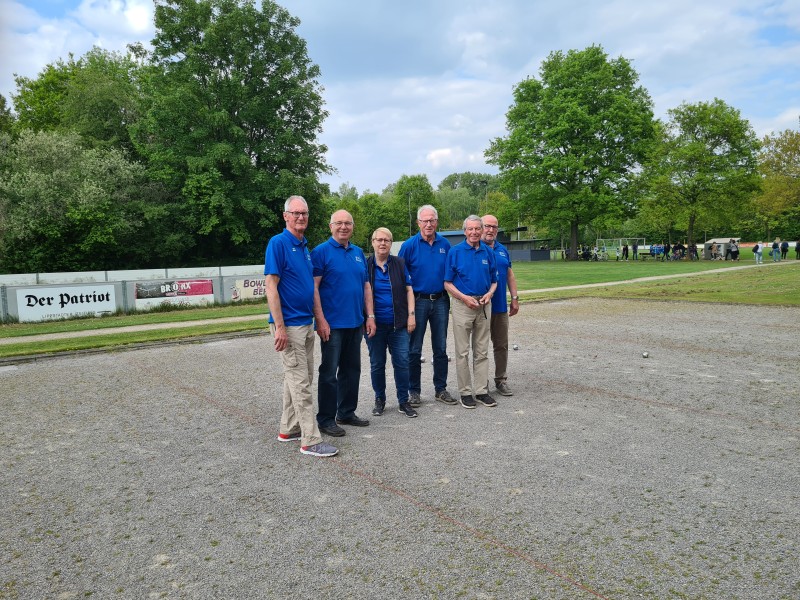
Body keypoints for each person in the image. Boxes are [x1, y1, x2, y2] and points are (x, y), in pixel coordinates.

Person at [264, 196, 338, 458]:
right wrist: (280, 327)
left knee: (297, 379)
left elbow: (310, 288)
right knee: (301, 383)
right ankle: (310, 440)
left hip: (305, 323)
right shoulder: (278, 243)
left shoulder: (304, 246)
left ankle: (289, 428)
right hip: (290, 325)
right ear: (285, 216)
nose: (300, 217)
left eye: (304, 213)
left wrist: (319, 318)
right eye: (295, 213)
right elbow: (271, 286)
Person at [312, 209, 376, 437]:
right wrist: (320, 319)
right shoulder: (320, 252)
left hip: (355, 322)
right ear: (331, 226)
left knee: (351, 371)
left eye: (347, 223)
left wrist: (370, 316)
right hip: (332, 325)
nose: (343, 227)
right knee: (329, 373)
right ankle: (326, 419)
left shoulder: (358, 252)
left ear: (353, 226)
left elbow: (366, 287)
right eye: (339, 223)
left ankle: (346, 412)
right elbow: (314, 288)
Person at [398, 205, 456, 407]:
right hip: (418, 301)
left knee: (440, 347)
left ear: (437, 222)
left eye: (432, 220)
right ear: (418, 223)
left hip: (441, 300)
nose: (428, 224)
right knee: (414, 349)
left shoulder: (445, 244)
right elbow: (401, 276)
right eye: (425, 221)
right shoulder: (409, 246)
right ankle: (414, 391)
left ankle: (441, 389)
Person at [444, 215, 497, 409]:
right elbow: (447, 283)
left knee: (482, 351)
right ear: (465, 231)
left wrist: (490, 294)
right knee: (462, 351)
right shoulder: (455, 252)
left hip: (483, 304)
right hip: (462, 305)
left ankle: (482, 391)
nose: (474, 232)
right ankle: (465, 392)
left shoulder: (488, 252)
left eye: (477, 229)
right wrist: (464, 298)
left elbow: (494, 280)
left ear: (482, 230)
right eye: (470, 229)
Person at [365, 227, 418, 418]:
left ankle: (403, 401)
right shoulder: (365, 265)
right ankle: (380, 399)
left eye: (386, 240)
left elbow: (409, 290)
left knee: (402, 363)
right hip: (374, 326)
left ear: (390, 243)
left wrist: (411, 315)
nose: (382, 243)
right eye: (379, 240)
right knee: (377, 364)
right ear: (372, 242)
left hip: (398, 325)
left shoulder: (399, 263)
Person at [481, 215, 520, 396]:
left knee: (501, 345)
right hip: (481, 307)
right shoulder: (475, 248)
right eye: (487, 226)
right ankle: (481, 383)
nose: (490, 230)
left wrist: (515, 298)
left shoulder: (502, 250)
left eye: (494, 227)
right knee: (480, 347)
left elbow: (509, 274)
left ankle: (501, 380)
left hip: (500, 307)